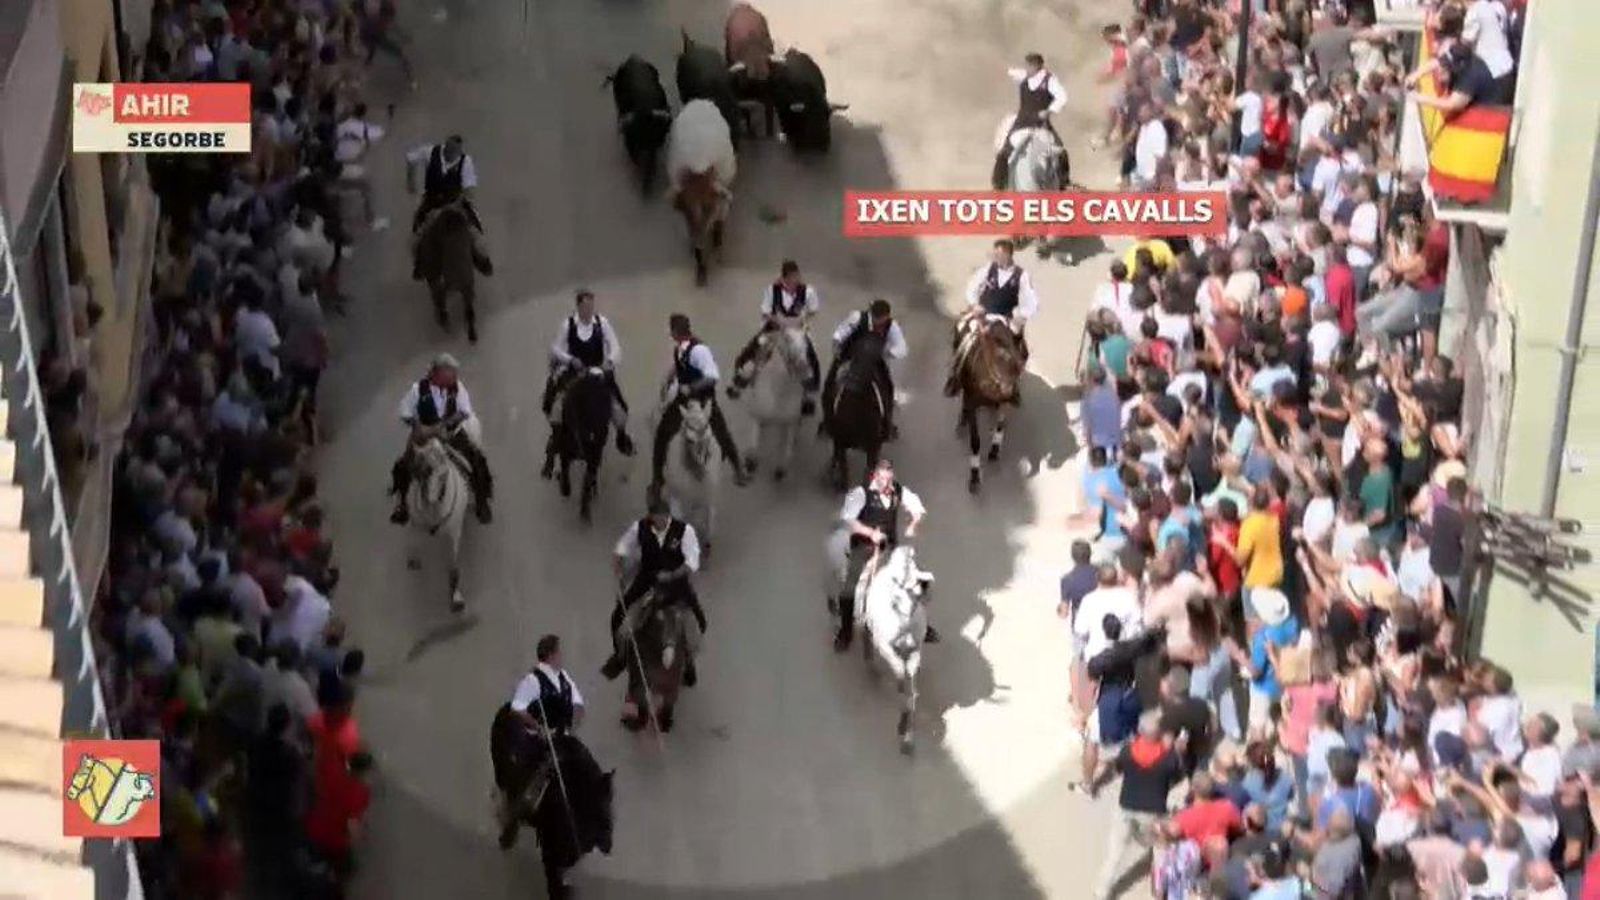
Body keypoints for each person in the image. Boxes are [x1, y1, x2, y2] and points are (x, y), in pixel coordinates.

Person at [601, 497, 708, 688]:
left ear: (668, 516)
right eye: (655, 517)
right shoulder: (640, 527)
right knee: (617, 615)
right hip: (648, 577)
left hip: (676, 580)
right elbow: (622, 548)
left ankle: (689, 662)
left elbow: (692, 561)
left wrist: (673, 574)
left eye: (662, 517)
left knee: (700, 620)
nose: (658, 521)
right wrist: (617, 566)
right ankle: (620, 656)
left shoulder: (684, 531)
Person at [833, 459, 936, 651]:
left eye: (890, 480)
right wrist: (870, 533)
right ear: (875, 477)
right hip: (863, 548)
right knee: (849, 590)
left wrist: (914, 522)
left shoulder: (898, 490)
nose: (888, 485)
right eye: (884, 481)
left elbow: (916, 505)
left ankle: (922, 625)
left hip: (889, 547)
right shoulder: (860, 494)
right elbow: (848, 520)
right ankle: (845, 631)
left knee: (917, 579)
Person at [494, 635, 586, 842]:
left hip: (562, 734)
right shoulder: (532, 681)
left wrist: (573, 723)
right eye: (559, 652)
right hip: (538, 737)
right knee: (531, 782)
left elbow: (578, 704)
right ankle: (513, 821)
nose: (561, 656)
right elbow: (518, 709)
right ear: (551, 655)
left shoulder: (563, 678)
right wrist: (538, 727)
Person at [389, 353, 494, 524]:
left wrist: (445, 425)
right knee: (403, 464)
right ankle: (402, 504)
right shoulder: (418, 390)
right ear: (438, 374)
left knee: (477, 461)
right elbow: (405, 412)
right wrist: (418, 426)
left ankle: (482, 501)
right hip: (424, 435)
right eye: (450, 374)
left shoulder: (457, 388)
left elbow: (464, 410)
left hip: (451, 434)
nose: (454, 378)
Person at [651, 313, 748, 488]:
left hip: (703, 400)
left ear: (676, 331)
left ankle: (738, 467)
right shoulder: (681, 347)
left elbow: (712, 377)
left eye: (671, 330)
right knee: (662, 434)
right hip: (683, 399)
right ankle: (658, 479)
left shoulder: (699, 351)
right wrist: (670, 376)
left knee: (720, 431)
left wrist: (692, 387)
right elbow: (681, 363)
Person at [541, 289, 633, 455]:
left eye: (591, 307)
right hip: (575, 372)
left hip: (598, 371)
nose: (589, 311)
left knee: (619, 407)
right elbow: (555, 348)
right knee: (556, 407)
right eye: (585, 307)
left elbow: (615, 345)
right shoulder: (568, 325)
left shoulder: (601, 323)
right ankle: (555, 439)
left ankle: (621, 435)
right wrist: (570, 359)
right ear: (578, 307)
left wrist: (610, 361)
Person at [728, 260, 822, 414]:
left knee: (808, 357)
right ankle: (739, 382)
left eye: (797, 276)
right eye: (792, 277)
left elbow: (812, 310)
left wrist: (800, 320)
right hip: (775, 327)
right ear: (785, 278)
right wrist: (779, 322)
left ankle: (809, 395)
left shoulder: (808, 291)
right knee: (755, 350)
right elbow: (766, 312)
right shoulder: (772, 290)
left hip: (797, 328)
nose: (796, 280)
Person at [949, 240, 1039, 395]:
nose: (997, 258)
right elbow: (972, 287)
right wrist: (975, 304)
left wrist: (1021, 315)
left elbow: (1032, 301)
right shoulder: (988, 269)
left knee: (1018, 348)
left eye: (1000, 255)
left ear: (1009, 255)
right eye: (995, 254)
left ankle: (1013, 379)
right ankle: (956, 371)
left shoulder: (1022, 276)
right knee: (961, 329)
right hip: (983, 314)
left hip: (1005, 318)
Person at [819, 298, 908, 441]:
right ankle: (827, 421)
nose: (879, 321)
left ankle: (887, 423)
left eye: (882, 318)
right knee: (830, 383)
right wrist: (837, 347)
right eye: (876, 317)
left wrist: (887, 353)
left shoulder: (892, 326)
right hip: (850, 357)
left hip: (874, 360)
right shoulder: (857, 318)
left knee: (888, 388)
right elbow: (839, 334)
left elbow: (901, 348)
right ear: (871, 313)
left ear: (887, 316)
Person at [992, 52, 1071, 189]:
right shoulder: (1024, 76)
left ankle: (1064, 182)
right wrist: (999, 67)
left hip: (1041, 124)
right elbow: (1010, 72)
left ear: (1037, 66)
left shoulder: (1050, 80)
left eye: (1030, 66)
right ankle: (998, 185)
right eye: (1027, 66)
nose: (1027, 69)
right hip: (1021, 122)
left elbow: (1062, 97)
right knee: (1004, 151)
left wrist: (1049, 111)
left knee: (1060, 151)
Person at [406, 134, 482, 233]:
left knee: (475, 228)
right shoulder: (431, 151)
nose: (451, 154)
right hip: (432, 201)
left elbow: (469, 187)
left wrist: (462, 200)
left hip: (454, 203)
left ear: (459, 151)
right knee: (418, 228)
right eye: (449, 150)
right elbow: (411, 158)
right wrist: (410, 181)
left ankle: (478, 242)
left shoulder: (466, 161)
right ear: (445, 146)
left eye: (454, 152)